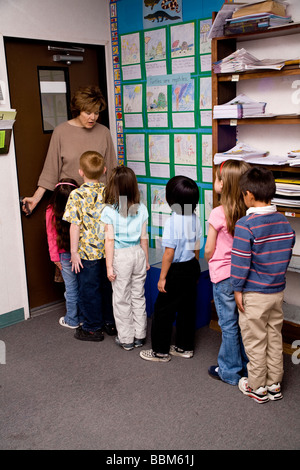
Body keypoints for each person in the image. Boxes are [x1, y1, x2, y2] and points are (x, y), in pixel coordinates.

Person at [231, 167, 295, 403]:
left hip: (254, 294)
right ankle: (274, 383)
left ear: (247, 194)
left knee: (255, 339)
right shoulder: (284, 223)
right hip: (276, 291)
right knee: (274, 336)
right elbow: (286, 253)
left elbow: (240, 263)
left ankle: (257, 386)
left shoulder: (245, 225)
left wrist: (237, 289)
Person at [22, 85, 117, 215]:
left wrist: (120, 205)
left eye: (96, 112)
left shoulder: (104, 132)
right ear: (78, 110)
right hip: (69, 203)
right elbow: (51, 170)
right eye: (88, 113)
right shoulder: (60, 132)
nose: (93, 118)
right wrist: (36, 198)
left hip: (98, 204)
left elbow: (113, 170)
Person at [140, 176, 201, 363]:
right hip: (192, 267)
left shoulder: (172, 222)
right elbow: (196, 246)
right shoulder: (195, 218)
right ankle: (184, 347)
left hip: (176, 270)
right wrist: (194, 265)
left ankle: (160, 352)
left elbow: (169, 253)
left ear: (171, 200)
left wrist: (162, 278)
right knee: (187, 308)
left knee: (163, 310)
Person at [205, 160, 250, 385]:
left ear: (223, 185)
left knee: (228, 324)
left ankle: (230, 371)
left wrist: (207, 256)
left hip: (223, 276)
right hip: (244, 276)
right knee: (243, 323)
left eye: (216, 178)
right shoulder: (249, 212)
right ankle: (245, 366)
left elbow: (209, 248)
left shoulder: (217, 213)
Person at [63, 150, 116, 341]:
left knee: (89, 290)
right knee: (108, 288)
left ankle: (93, 328)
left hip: (87, 253)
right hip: (108, 251)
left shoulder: (76, 195)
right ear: (104, 170)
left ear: (80, 172)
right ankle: (111, 323)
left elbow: (74, 226)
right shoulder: (108, 191)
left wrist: (73, 252)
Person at [101, 166, 150, 351]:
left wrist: (108, 267)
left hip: (121, 256)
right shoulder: (142, 209)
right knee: (138, 295)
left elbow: (109, 240)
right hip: (138, 253)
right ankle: (140, 334)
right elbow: (144, 237)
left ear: (113, 186)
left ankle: (126, 338)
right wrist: (145, 260)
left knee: (121, 298)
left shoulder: (108, 211)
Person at [46, 178, 84, 329]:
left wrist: (55, 258)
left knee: (71, 288)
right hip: (82, 253)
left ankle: (72, 319)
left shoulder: (50, 211)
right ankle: (82, 317)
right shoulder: (81, 207)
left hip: (64, 256)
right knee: (82, 286)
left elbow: (51, 236)